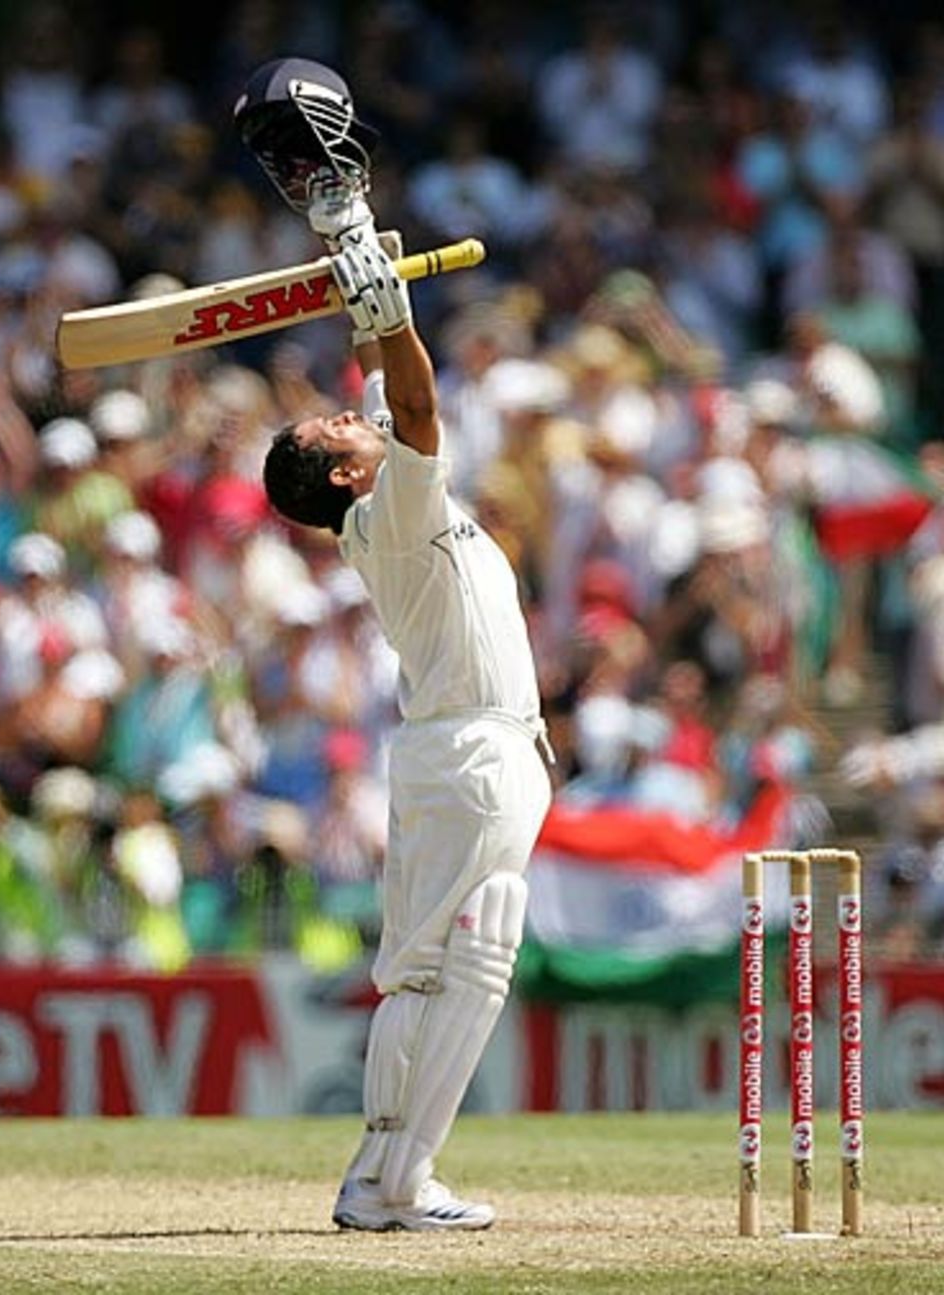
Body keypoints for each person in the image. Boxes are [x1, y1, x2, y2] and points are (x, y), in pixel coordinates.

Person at [261, 189, 553, 1231]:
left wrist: (353, 248)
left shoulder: (380, 510)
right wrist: (387, 309)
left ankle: (379, 1177)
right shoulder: (394, 507)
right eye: (341, 425)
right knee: (469, 955)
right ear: (346, 471)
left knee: (423, 969)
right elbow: (417, 406)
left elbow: (388, 386)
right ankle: (398, 1181)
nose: (356, 414)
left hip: (452, 749)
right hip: (473, 748)